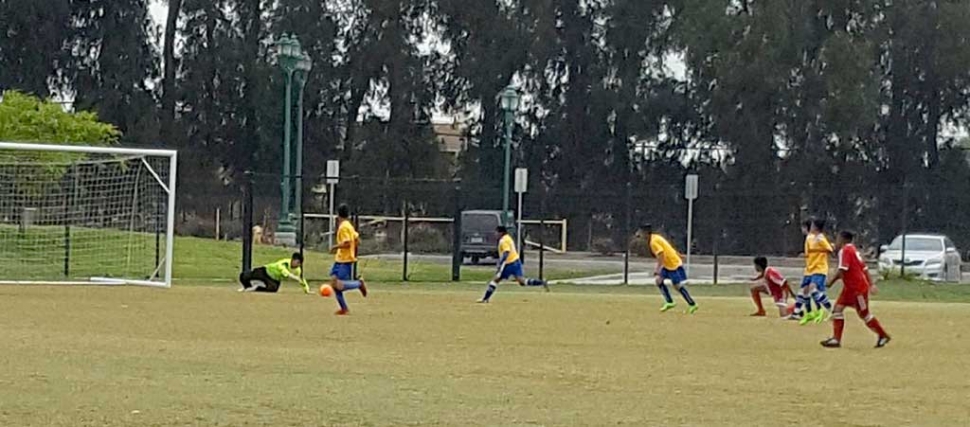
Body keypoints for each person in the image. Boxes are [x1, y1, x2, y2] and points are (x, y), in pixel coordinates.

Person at [821, 230, 891, 348]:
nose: (836, 242)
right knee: (837, 309)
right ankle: (836, 339)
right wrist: (871, 284)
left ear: (843, 239)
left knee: (864, 315)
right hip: (850, 288)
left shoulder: (845, 250)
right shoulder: (853, 250)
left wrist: (830, 282)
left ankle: (883, 335)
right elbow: (864, 268)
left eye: (837, 239)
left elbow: (842, 269)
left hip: (857, 289)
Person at [637, 224, 698, 314]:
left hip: (672, 264)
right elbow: (668, 247)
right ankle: (670, 302)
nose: (638, 234)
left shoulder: (653, 242)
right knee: (659, 280)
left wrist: (658, 268)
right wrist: (677, 254)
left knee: (676, 286)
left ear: (645, 233)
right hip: (668, 264)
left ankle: (692, 304)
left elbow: (661, 254)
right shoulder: (655, 237)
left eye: (640, 232)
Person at [478, 225, 548, 303]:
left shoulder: (503, 240)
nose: (495, 234)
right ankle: (541, 282)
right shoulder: (508, 238)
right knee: (522, 281)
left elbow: (506, 252)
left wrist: (500, 263)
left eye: (496, 232)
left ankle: (485, 299)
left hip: (508, 263)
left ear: (501, 233)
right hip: (516, 261)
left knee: (495, 280)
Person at [791, 218, 834, 325]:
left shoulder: (820, 238)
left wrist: (825, 250)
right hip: (810, 269)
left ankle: (829, 310)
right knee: (805, 290)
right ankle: (806, 312)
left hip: (819, 268)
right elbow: (808, 253)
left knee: (813, 289)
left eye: (812, 226)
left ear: (815, 227)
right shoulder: (810, 238)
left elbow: (830, 249)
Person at [328, 204, 368, 315]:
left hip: (345, 260)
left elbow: (346, 243)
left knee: (338, 285)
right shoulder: (349, 226)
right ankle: (344, 308)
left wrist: (335, 247)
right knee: (334, 282)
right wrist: (352, 249)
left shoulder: (344, 227)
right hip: (340, 259)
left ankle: (359, 284)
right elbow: (357, 240)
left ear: (338, 214)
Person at [238, 253, 309, 293]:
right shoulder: (284, 263)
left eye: (300, 263)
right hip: (265, 271)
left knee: (273, 289)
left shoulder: (298, 269)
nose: (298, 265)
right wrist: (295, 278)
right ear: (293, 260)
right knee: (244, 276)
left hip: (275, 279)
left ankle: (256, 288)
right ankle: (246, 287)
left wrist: (306, 289)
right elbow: (285, 273)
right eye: (297, 262)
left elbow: (301, 279)